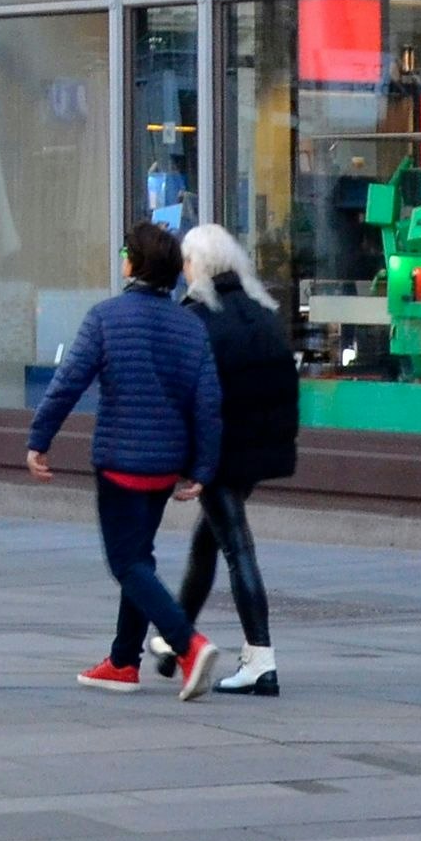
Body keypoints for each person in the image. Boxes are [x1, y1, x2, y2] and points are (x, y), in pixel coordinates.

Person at [29, 221, 227, 700]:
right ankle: (122, 660)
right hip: (163, 468)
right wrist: (202, 467)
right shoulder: (189, 325)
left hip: (120, 463)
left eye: (124, 251)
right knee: (139, 558)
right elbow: (208, 403)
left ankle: (187, 644)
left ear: (134, 264)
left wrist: (40, 438)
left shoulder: (106, 317)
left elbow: (68, 382)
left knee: (126, 563)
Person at [160, 223, 294, 698]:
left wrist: (188, 462)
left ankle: (260, 658)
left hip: (217, 451)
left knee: (236, 546)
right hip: (257, 450)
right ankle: (174, 642)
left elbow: (190, 397)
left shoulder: (198, 316)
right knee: (208, 541)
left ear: (198, 266)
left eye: (187, 262)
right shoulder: (261, 311)